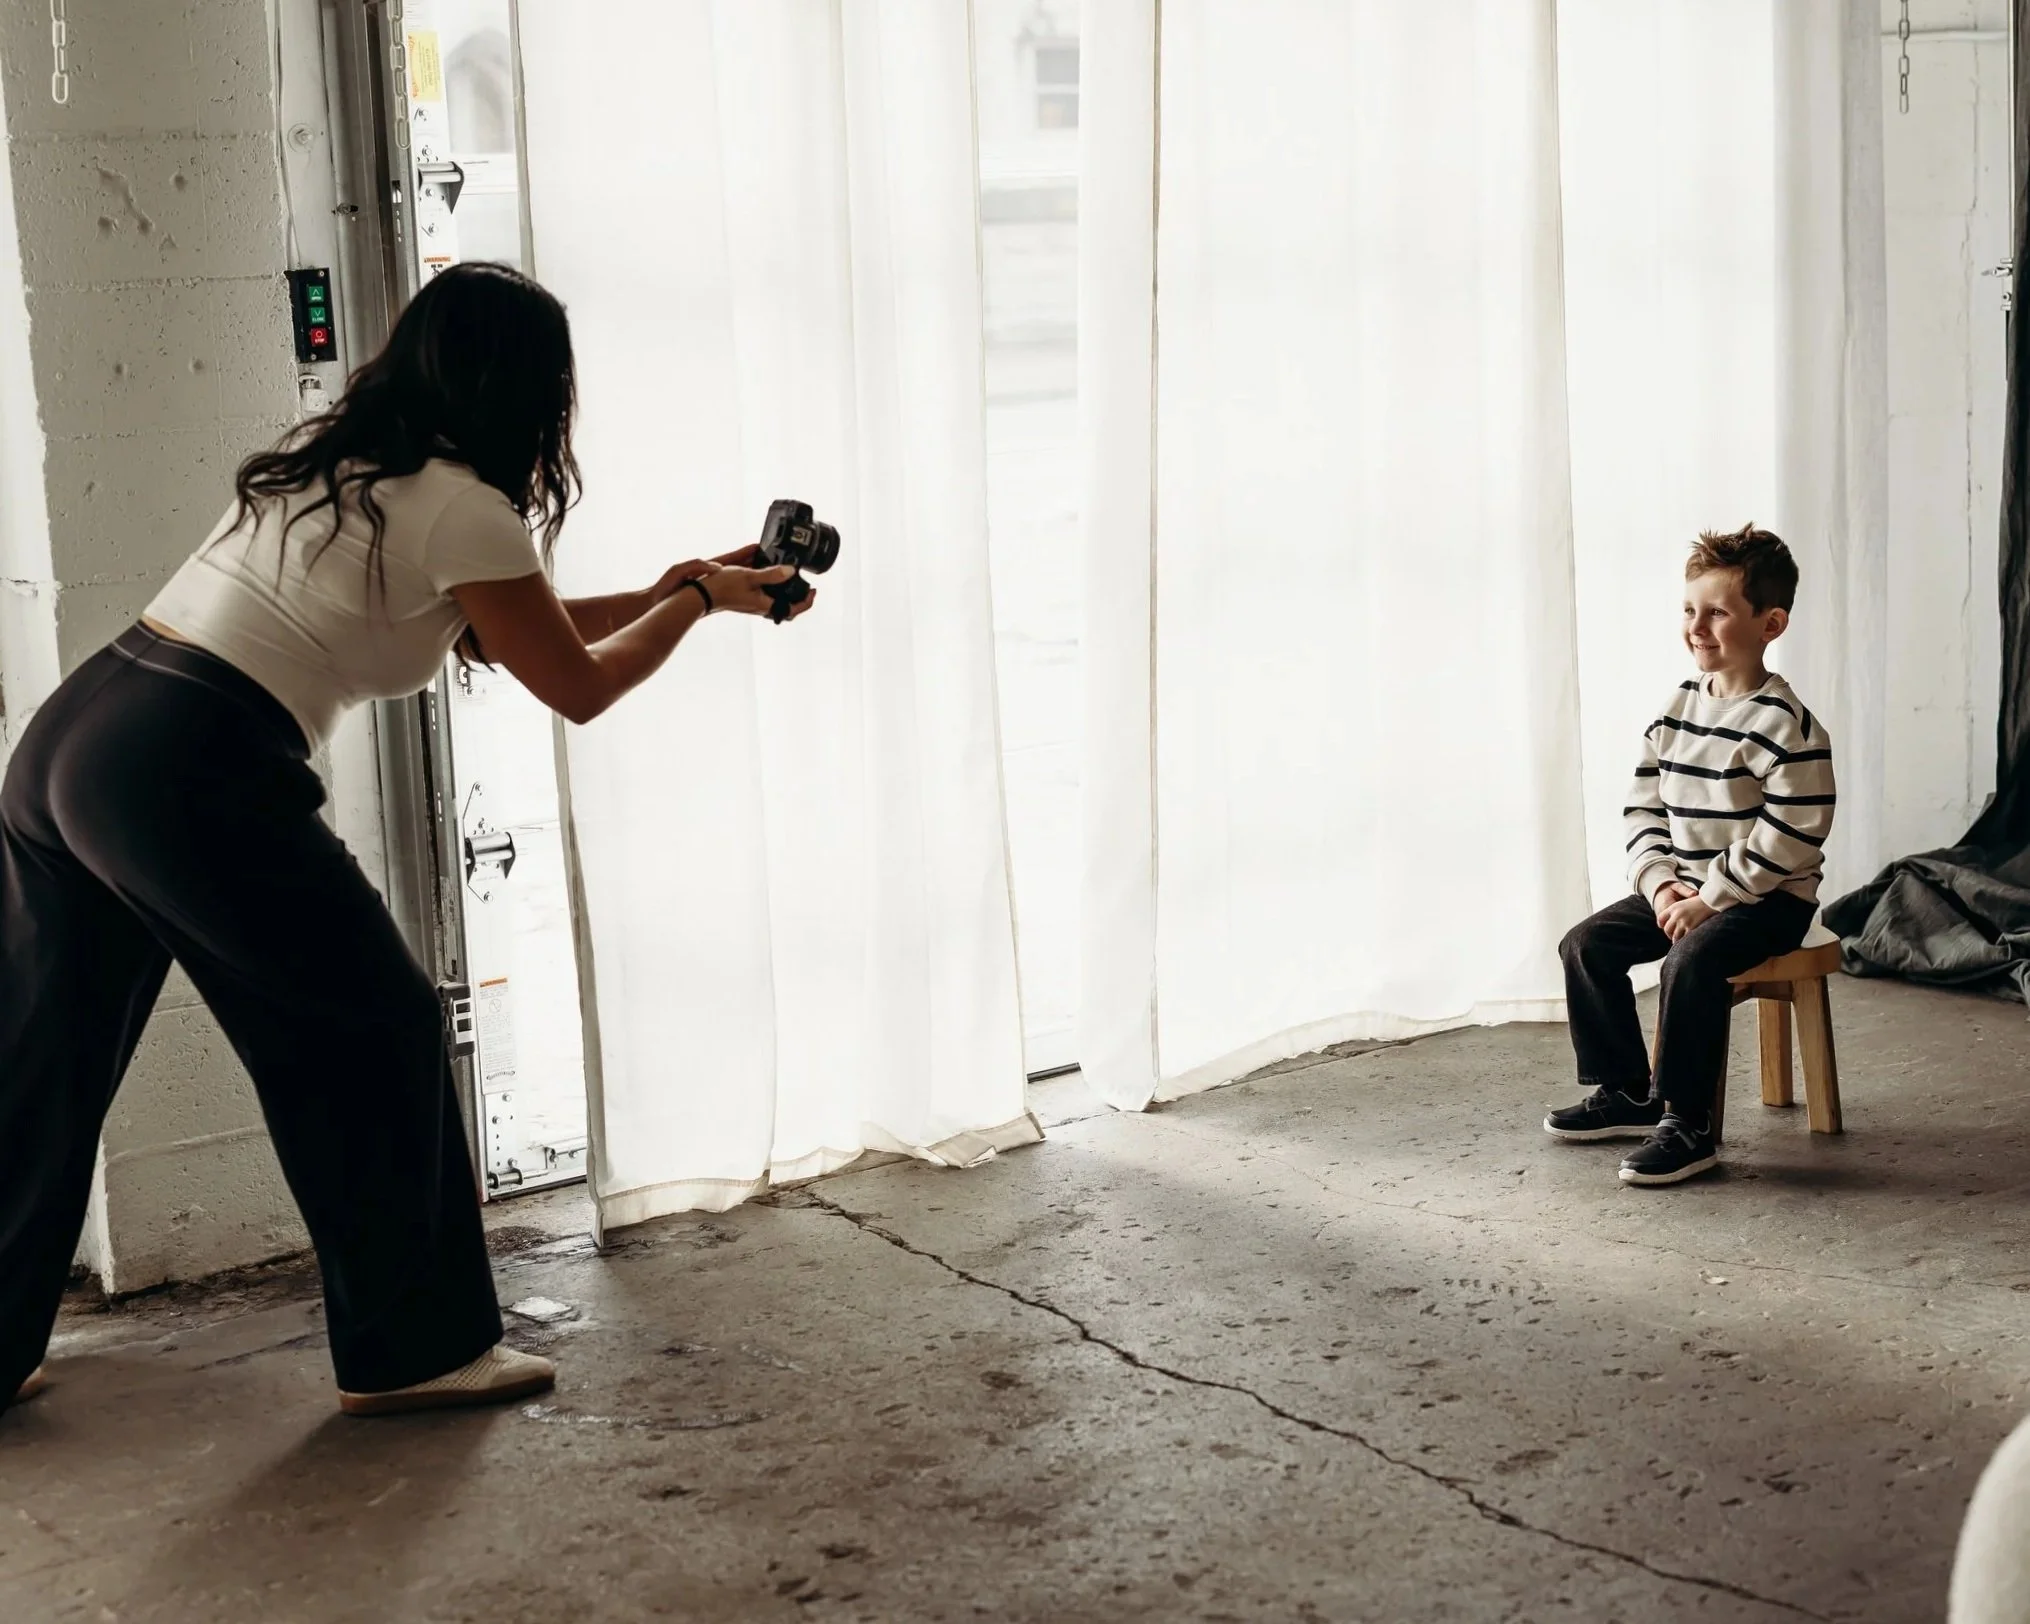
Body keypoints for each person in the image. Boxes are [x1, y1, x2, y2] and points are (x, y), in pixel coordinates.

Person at [0, 262, 813, 1417]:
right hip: (192, 759)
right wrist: (690, 608)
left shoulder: (335, 464)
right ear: (533, 392)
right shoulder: (467, 507)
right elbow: (575, 687)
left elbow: (505, 632)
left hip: (80, 738)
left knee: (43, 1049)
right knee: (373, 1023)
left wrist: (688, 583)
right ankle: (415, 1349)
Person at [1543, 524, 1837, 1186]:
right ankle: (1628, 1093)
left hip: (1766, 900)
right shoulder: (1679, 706)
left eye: (1717, 612)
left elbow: (1792, 832)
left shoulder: (1787, 725)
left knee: (1692, 960)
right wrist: (1661, 888)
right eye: (1688, 610)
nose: (1696, 626)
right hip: (1683, 890)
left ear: (1771, 622)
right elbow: (1643, 806)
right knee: (1586, 945)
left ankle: (1690, 1122)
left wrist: (1714, 898)